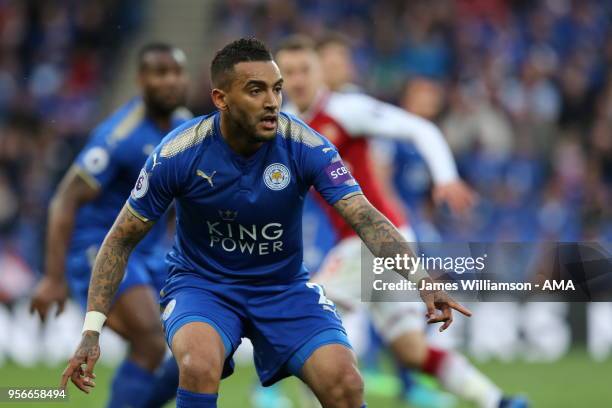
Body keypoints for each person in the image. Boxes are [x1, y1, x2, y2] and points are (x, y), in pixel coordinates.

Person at [60, 38, 470, 408]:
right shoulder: (178, 153)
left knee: (345, 382)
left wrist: (420, 278)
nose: (272, 101)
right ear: (221, 98)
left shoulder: (305, 144)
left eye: (276, 89)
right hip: (204, 286)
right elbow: (119, 240)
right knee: (198, 364)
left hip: (283, 287)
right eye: (256, 90)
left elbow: (363, 215)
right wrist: (91, 331)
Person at [276, 34, 528, 408]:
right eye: (288, 73)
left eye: (304, 70)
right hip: (368, 243)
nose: (297, 80)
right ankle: (499, 401)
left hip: (377, 240)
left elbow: (420, 128)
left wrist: (445, 177)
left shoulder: (346, 109)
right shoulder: (288, 126)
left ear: (320, 72)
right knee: (411, 350)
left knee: (307, 320)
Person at [31, 43, 190, 408]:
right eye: (159, 73)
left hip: (150, 252)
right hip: (99, 248)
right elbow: (64, 200)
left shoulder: (184, 126)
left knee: (195, 346)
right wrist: (53, 277)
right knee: (150, 340)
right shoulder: (119, 135)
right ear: (140, 79)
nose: (170, 81)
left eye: (176, 72)